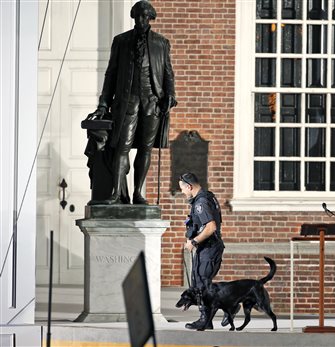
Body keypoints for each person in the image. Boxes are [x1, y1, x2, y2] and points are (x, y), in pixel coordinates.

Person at [86, 0, 177, 205]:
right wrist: (103, 104)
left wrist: (170, 95)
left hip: (152, 102)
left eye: (145, 16)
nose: (140, 20)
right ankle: (117, 193)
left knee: (145, 148)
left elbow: (168, 73)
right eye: (137, 16)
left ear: (151, 18)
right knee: (121, 147)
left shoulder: (161, 43)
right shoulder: (121, 41)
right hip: (127, 101)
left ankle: (138, 193)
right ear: (133, 17)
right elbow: (111, 74)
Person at [180, 172, 225, 330]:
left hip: (209, 247)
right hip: (208, 248)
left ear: (189, 186)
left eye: (183, 189)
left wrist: (194, 241)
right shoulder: (206, 197)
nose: (182, 192)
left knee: (202, 284)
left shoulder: (201, 202)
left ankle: (209, 316)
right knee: (203, 283)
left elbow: (211, 227)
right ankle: (209, 319)